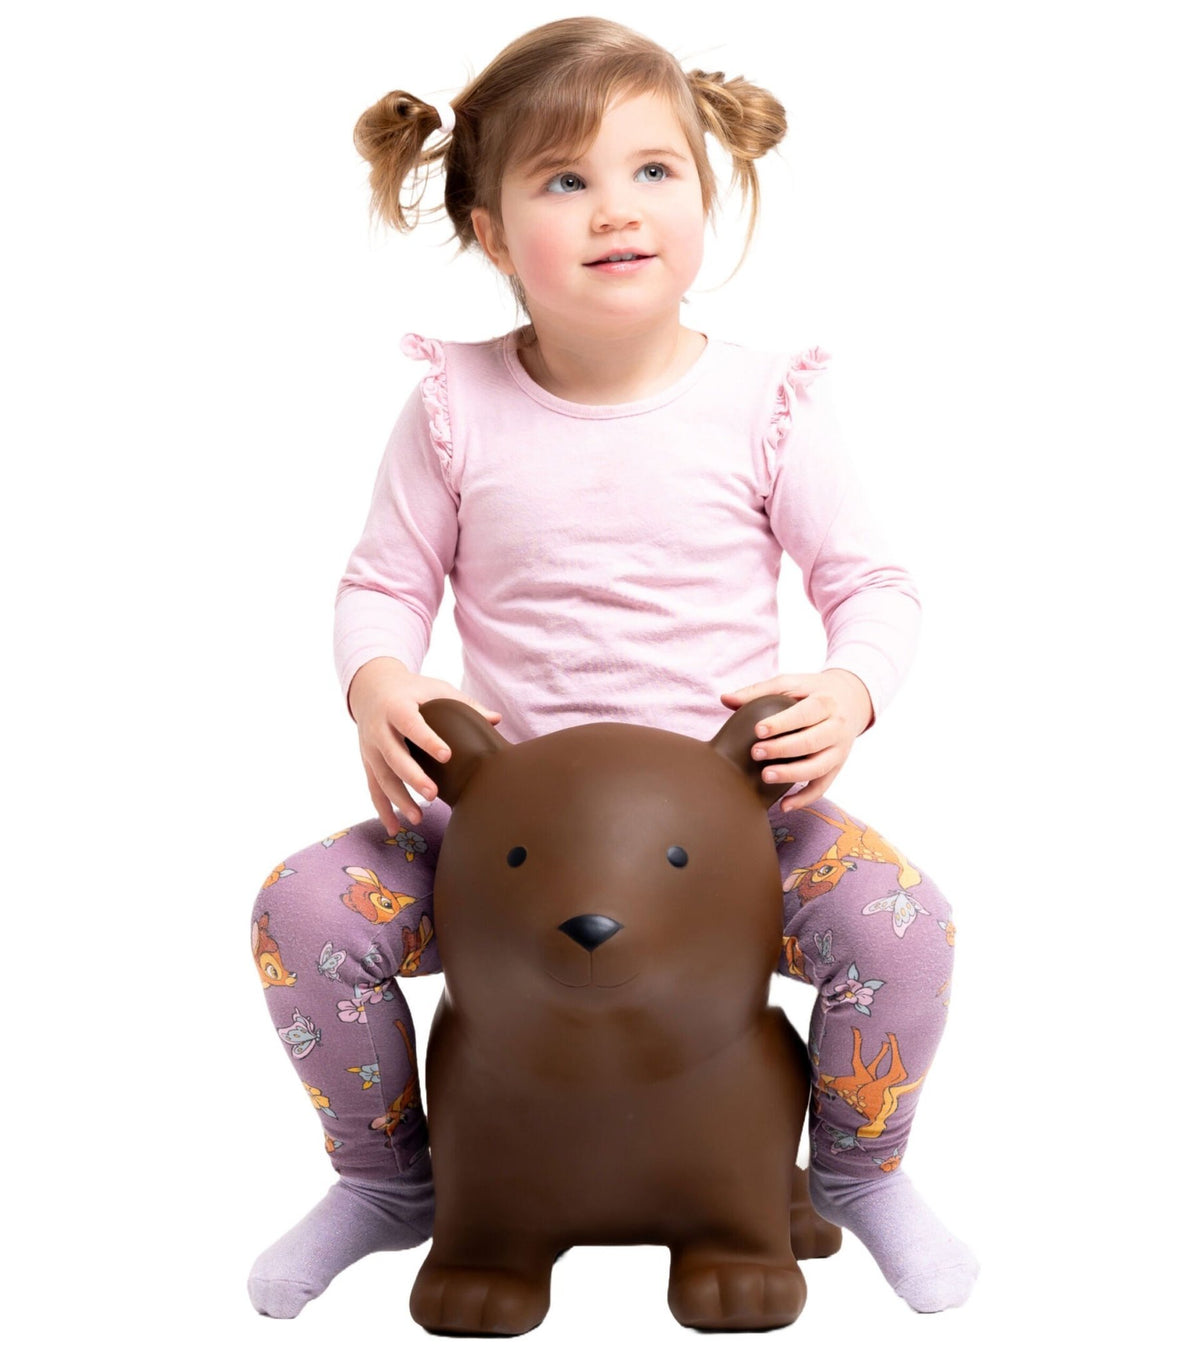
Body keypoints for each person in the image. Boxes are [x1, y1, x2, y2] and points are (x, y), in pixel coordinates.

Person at [248, 15, 978, 1321]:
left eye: (653, 171)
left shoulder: (768, 405)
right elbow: (384, 583)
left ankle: (861, 1168)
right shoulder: (452, 409)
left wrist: (848, 689)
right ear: (487, 230)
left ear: (704, 192)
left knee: (901, 928)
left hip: (741, 813)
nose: (615, 210)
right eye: (564, 180)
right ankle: (387, 1176)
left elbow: (873, 584)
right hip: (498, 826)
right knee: (303, 913)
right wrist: (378, 682)